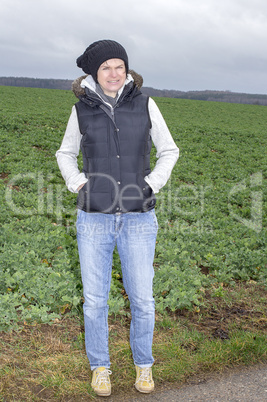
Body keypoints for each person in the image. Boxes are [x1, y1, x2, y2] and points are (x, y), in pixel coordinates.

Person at [56, 39, 179, 397]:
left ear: (127, 71)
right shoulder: (81, 110)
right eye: (106, 67)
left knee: (142, 298)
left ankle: (144, 366)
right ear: (94, 73)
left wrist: (151, 184)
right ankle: (101, 368)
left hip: (139, 218)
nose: (114, 73)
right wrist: (78, 183)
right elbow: (65, 153)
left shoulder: (145, 104)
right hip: (93, 218)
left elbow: (168, 150)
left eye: (119, 66)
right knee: (95, 300)